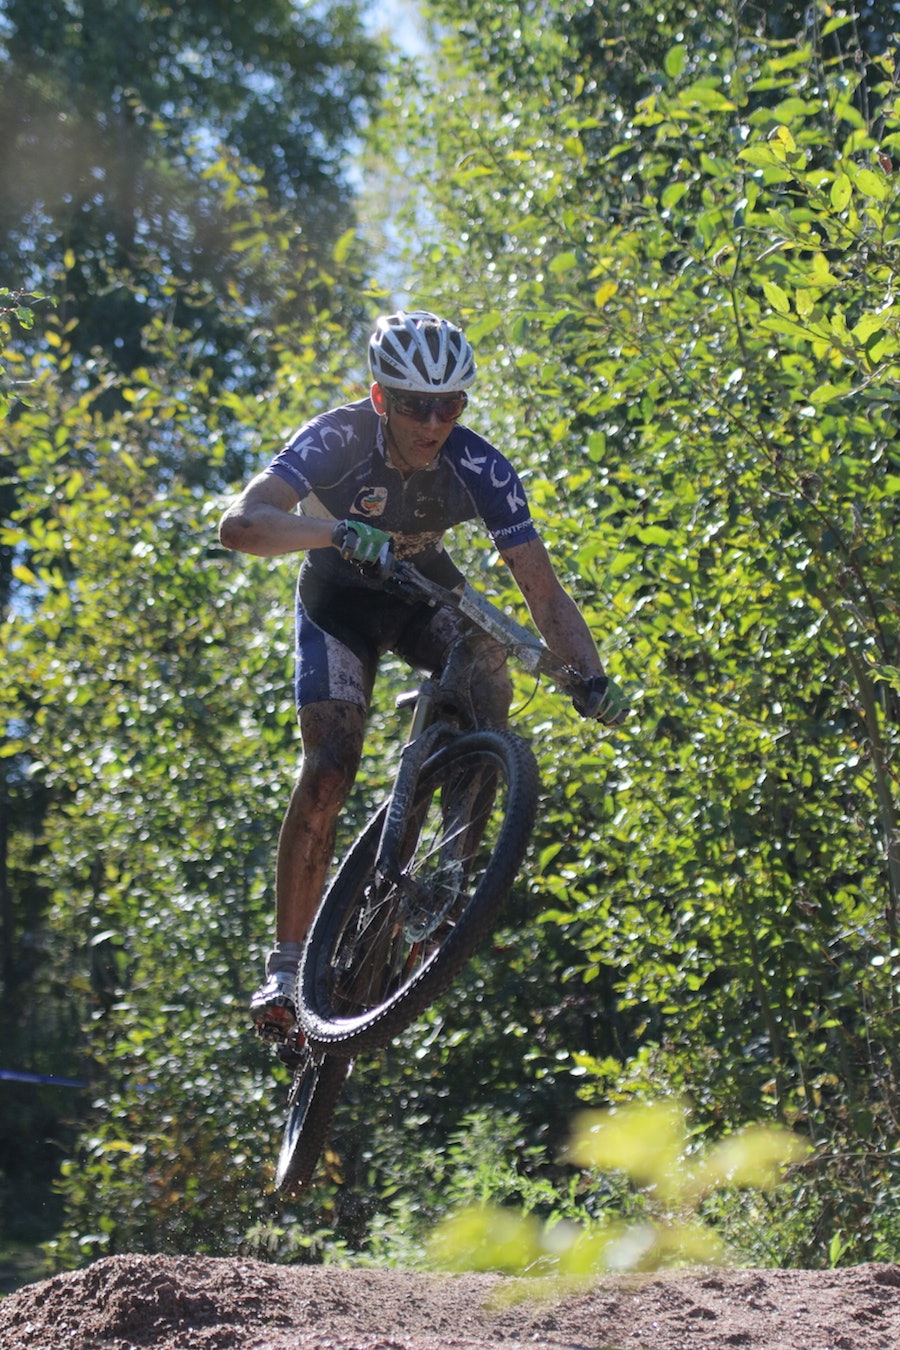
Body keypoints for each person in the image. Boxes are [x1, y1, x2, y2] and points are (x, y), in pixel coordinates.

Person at [218, 309, 627, 1044]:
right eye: (413, 404)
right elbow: (242, 524)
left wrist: (591, 677)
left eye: (450, 404)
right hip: (337, 603)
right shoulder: (339, 437)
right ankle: (285, 969)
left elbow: (541, 589)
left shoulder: (479, 467)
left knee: (489, 670)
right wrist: (335, 530)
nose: (433, 420)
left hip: (418, 593)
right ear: (381, 399)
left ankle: (440, 881)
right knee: (332, 764)